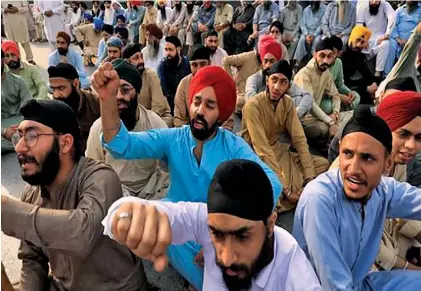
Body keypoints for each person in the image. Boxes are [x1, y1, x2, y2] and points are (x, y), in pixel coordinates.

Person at [91, 63, 282, 290]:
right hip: (181, 228)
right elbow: (122, 144)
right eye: (196, 102)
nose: (200, 111)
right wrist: (107, 100)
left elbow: (272, 184)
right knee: (158, 217)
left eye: (210, 105)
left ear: (221, 113)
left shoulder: (232, 146)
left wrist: (222, 235)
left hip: (221, 228)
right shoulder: (174, 139)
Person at [102, 159, 323, 291]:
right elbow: (138, 211)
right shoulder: (206, 220)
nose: (225, 258)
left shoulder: (294, 272)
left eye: (242, 236)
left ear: (270, 223)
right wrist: (125, 216)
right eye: (217, 234)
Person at [1, 98, 147, 290]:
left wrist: (6, 211)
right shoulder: (32, 192)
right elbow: (32, 258)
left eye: (32, 135)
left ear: (65, 143)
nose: (19, 147)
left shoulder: (100, 177)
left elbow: (82, 233)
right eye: (19, 136)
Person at [293, 104, 421, 291]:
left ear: (387, 164)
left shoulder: (383, 190)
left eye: (367, 158)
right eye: (348, 154)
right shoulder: (319, 199)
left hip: (361, 284)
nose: (353, 169)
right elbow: (334, 285)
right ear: (339, 149)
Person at [242, 60, 329, 213]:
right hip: (255, 154)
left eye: (283, 82)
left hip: (278, 149)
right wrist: (286, 190)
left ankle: (301, 189)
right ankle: (290, 193)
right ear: (267, 81)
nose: (277, 87)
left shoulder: (288, 103)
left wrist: (310, 177)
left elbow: (299, 139)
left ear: (288, 85)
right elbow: (263, 150)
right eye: (274, 80)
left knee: (322, 164)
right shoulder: (252, 106)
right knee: (276, 187)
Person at [86, 59, 169, 199]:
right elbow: (92, 170)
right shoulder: (98, 128)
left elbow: (168, 168)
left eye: (125, 90)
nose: (118, 97)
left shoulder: (155, 123)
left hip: (152, 191)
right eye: (114, 91)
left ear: (137, 92)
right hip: (114, 192)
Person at [244, 36, 313, 120]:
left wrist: (294, 116)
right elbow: (250, 98)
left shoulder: (284, 81)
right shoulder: (253, 79)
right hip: (261, 119)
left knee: (297, 100)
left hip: (282, 120)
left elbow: (307, 97)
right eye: (265, 61)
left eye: (272, 61)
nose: (268, 65)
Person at [293, 38, 345, 148]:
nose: (326, 60)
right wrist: (331, 122)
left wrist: (335, 114)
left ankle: (327, 141)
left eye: (329, 56)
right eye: (322, 56)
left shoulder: (325, 71)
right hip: (301, 118)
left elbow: (335, 95)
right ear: (314, 55)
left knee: (348, 116)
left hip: (317, 117)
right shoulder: (305, 74)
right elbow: (310, 104)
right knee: (323, 128)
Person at [48, 63, 99, 153]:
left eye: (61, 88)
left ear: (76, 83)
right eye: (53, 89)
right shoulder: (51, 109)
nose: (56, 95)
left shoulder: (95, 103)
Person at [123, 43, 173, 127]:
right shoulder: (123, 80)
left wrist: (143, 125)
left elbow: (158, 106)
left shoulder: (151, 75)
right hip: (134, 121)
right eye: (136, 58)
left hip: (157, 117)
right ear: (127, 62)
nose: (141, 61)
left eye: (141, 57)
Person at [1, 50, 32, 154]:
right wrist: (4, 131)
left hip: (19, 124)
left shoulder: (18, 81)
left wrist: (21, 125)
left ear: (3, 60)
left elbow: (30, 106)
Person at [320, 35, 360, 114]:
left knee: (356, 96)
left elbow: (340, 84)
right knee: (328, 106)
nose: (330, 56)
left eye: (333, 53)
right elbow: (321, 90)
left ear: (339, 53)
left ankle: (339, 110)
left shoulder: (338, 63)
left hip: (335, 95)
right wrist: (340, 97)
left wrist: (348, 92)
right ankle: (340, 110)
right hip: (323, 98)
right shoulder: (322, 64)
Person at [356, 0, 395, 77]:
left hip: (380, 37)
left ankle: (378, 73)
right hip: (366, 36)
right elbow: (359, 24)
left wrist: (387, 34)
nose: (374, 3)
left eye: (377, 1)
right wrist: (363, 38)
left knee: (385, 44)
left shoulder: (385, 5)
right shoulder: (362, 4)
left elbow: (392, 17)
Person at [342, 26, 379, 105]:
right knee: (359, 92)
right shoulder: (342, 54)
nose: (359, 45)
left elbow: (366, 73)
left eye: (362, 42)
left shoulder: (358, 55)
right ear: (352, 38)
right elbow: (342, 81)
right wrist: (366, 88)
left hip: (351, 83)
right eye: (358, 40)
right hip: (342, 86)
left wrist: (374, 83)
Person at [157, 36, 191, 114]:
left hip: (187, 101)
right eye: (166, 49)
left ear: (178, 49)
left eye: (170, 49)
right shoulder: (162, 66)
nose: (168, 53)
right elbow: (163, 91)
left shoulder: (187, 63)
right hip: (170, 104)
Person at [222, 48, 261, 113]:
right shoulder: (248, 57)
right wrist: (231, 82)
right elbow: (226, 60)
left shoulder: (271, 61)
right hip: (241, 97)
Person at [388, 1, 421, 74]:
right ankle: (386, 75)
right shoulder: (399, 10)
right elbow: (393, 26)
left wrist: (411, 39)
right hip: (398, 40)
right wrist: (397, 38)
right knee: (390, 44)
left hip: (414, 39)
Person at [294, 1, 326, 67]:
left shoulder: (324, 9)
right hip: (307, 32)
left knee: (317, 40)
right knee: (302, 39)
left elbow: (322, 24)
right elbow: (302, 24)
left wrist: (314, 35)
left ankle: (313, 60)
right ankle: (296, 62)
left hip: (317, 33)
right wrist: (306, 34)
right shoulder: (306, 10)